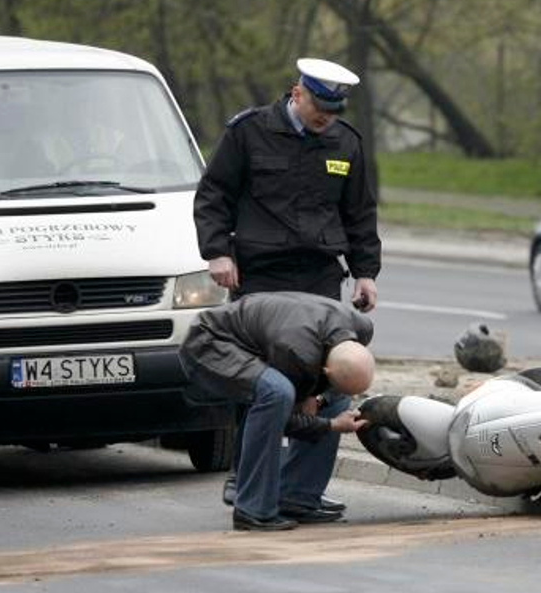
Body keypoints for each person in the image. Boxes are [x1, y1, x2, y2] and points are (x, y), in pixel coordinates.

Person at [192, 57, 382, 509]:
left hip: (318, 275)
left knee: (325, 383)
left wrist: (366, 272)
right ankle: (245, 479)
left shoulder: (344, 141)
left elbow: (360, 213)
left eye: (334, 112)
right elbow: (213, 195)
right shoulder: (249, 132)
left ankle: (298, 491)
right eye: (320, 110)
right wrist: (217, 251)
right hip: (262, 274)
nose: (326, 120)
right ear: (297, 94)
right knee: (264, 383)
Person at [180, 292, 374, 531]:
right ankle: (252, 509)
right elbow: (284, 422)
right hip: (210, 342)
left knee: (337, 399)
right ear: (325, 370)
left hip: (268, 341)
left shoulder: (362, 329)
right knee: (276, 393)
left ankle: (297, 499)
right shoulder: (296, 353)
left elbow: (325, 389)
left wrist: (320, 397)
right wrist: (333, 425)